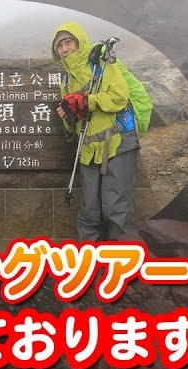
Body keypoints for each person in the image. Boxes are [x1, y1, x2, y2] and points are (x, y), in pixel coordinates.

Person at [52, 22, 138, 241]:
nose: (64, 48)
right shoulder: (66, 81)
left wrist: (88, 101)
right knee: (89, 213)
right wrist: (68, 116)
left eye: (68, 42)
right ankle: (89, 266)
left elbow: (119, 97)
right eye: (59, 45)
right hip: (89, 148)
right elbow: (74, 125)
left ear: (79, 42)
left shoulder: (102, 64)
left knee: (116, 209)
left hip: (117, 143)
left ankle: (120, 268)